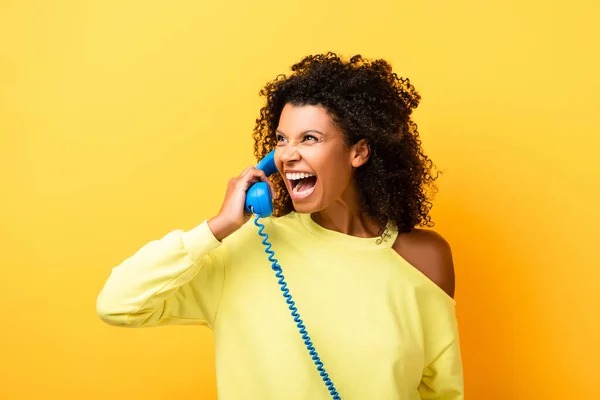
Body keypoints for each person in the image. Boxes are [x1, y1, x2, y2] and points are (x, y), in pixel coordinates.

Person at [97, 52, 464, 399]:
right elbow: (117, 303)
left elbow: (442, 391)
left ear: (359, 151)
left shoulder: (424, 260)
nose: (288, 155)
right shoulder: (242, 249)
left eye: (310, 138)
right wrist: (218, 227)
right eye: (281, 140)